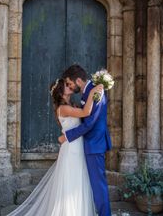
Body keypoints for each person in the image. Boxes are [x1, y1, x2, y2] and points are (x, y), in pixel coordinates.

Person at [7, 78, 103, 216]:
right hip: (71, 150)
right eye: (66, 85)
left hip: (77, 146)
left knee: (78, 181)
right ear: (60, 91)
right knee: (71, 182)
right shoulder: (63, 108)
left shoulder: (72, 105)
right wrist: (94, 90)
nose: (70, 86)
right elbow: (86, 113)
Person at [59, 64, 112, 216]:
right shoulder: (87, 92)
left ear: (79, 81)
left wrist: (67, 136)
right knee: (93, 185)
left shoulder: (96, 92)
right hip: (89, 144)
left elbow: (89, 124)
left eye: (69, 83)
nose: (69, 86)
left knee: (98, 186)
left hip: (94, 144)